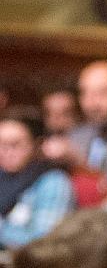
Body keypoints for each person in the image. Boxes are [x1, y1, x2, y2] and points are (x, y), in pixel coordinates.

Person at [0, 106, 76, 248]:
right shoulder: (3, 176)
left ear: (36, 145)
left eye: (14, 145)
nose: (6, 152)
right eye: (1, 145)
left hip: (28, 266)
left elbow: (43, 243)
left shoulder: (53, 182)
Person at [64, 60, 107, 173]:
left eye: (102, 94)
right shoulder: (74, 137)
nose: (92, 104)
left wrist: (80, 162)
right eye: (85, 93)